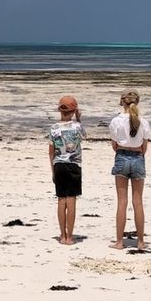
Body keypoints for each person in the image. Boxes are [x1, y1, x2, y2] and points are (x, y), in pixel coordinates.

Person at [108, 89, 151, 250]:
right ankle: (140, 242)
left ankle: (119, 242)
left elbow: (114, 145)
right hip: (138, 157)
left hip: (121, 156)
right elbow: (144, 146)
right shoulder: (143, 121)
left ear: (122, 102)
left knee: (122, 202)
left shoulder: (116, 121)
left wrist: (123, 152)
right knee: (138, 202)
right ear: (137, 102)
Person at [47, 95, 87, 245]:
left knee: (61, 200)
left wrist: (52, 170)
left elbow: (51, 151)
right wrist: (78, 119)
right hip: (73, 165)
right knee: (71, 201)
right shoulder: (77, 127)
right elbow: (84, 135)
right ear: (73, 111)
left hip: (59, 165)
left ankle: (62, 235)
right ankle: (69, 237)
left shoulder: (54, 128)